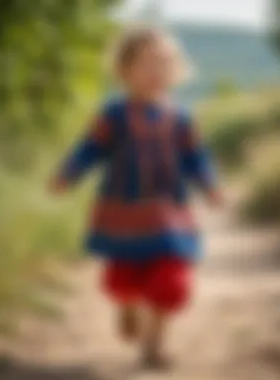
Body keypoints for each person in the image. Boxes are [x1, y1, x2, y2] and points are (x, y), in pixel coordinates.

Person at [49, 26, 222, 370]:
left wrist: (210, 185)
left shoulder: (181, 119)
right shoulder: (113, 115)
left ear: (175, 71)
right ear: (125, 70)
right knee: (121, 280)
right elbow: (90, 149)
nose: (156, 71)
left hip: (169, 216)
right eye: (147, 63)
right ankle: (127, 304)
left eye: (164, 63)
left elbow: (195, 157)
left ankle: (154, 345)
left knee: (171, 281)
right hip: (123, 218)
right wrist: (68, 174)